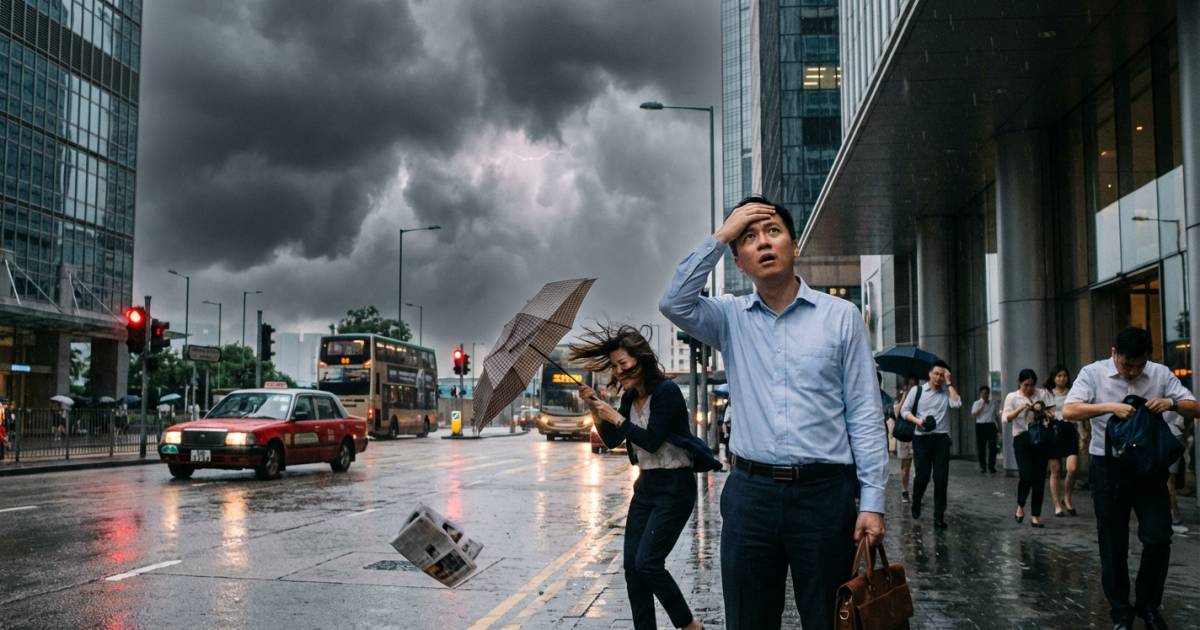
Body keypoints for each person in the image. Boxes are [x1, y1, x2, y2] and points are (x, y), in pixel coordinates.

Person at [660, 195, 887, 630]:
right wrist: (721, 235)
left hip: (824, 497)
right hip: (750, 496)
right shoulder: (729, 318)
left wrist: (872, 502)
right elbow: (674, 303)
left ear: (794, 245)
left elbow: (864, 412)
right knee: (748, 621)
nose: (762, 242)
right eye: (748, 237)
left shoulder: (841, 318)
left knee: (829, 619)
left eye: (773, 231)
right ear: (739, 261)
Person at [569, 325, 704, 630]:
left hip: (675, 487)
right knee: (632, 568)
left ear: (641, 360)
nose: (619, 372)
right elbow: (615, 440)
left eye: (624, 365)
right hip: (646, 487)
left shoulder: (667, 393)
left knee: (648, 563)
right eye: (615, 366)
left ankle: (689, 625)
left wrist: (614, 415)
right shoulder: (630, 398)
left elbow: (652, 440)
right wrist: (594, 409)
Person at [1063, 327, 1198, 630]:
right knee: (1113, 544)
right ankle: (1121, 612)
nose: (1133, 372)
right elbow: (1069, 410)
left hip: (1149, 470)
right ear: (1114, 354)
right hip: (1108, 468)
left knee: (1159, 537)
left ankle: (1148, 605)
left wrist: (1171, 403)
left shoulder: (1160, 374)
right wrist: (1109, 406)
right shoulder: (1093, 373)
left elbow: (1195, 407)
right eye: (1127, 365)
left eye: (1139, 365)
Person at [899, 360, 961, 529]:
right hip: (921, 439)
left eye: (942, 375)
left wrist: (949, 383)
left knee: (941, 479)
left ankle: (939, 517)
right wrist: (918, 421)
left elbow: (957, 403)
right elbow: (904, 411)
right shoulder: (917, 391)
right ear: (929, 374)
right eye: (936, 374)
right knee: (922, 477)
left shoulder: (946, 392)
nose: (939, 377)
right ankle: (916, 501)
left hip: (941, 440)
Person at [1003, 369, 1054, 528]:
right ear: (1020, 383)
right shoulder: (1012, 396)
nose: (1029, 389)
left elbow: (1053, 413)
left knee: (1039, 477)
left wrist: (1042, 411)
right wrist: (1021, 408)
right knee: (1026, 476)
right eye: (1026, 385)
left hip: (1040, 438)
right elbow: (1006, 419)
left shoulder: (1042, 394)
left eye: (1032, 385)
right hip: (1022, 438)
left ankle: (1036, 515)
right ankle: (1021, 505)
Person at [1045, 365, 1080, 517]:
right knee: (1056, 470)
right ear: (1053, 378)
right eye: (1058, 376)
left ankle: (1067, 497)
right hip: (1053, 431)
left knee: (1072, 468)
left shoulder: (1073, 393)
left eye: (1064, 375)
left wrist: (1083, 433)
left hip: (1070, 430)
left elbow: (1078, 413)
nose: (1062, 378)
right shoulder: (1047, 394)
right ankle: (1057, 505)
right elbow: (1042, 412)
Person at [893, 376, 918, 502]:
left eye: (915, 385)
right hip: (904, 435)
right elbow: (897, 413)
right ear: (906, 386)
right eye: (910, 385)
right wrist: (904, 396)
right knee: (905, 464)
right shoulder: (899, 399)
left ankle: (916, 491)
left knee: (918, 465)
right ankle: (904, 491)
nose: (913, 387)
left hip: (917, 435)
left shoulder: (919, 399)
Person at [971, 385, 1000, 473]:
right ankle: (983, 466)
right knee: (981, 447)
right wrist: (981, 407)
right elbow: (973, 414)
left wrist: (999, 429)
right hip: (980, 426)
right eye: (983, 393)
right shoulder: (977, 403)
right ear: (980, 394)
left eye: (987, 393)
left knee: (992, 446)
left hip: (991, 425)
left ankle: (991, 466)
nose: (985, 395)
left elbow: (996, 416)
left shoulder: (994, 403)